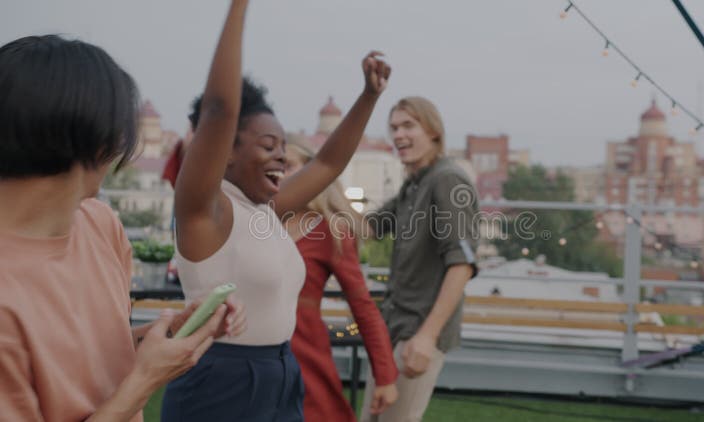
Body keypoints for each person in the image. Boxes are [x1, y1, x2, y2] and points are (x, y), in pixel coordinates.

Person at [161, 1, 391, 420]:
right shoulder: (206, 211)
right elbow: (219, 109)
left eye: (283, 148)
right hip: (222, 380)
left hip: (281, 372)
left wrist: (368, 97)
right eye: (268, 147)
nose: (281, 158)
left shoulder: (265, 208)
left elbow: (326, 164)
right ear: (225, 151)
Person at [0, 34, 245, 422]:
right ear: (97, 137)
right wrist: (146, 380)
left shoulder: (101, 225)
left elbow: (91, 361)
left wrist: (164, 337)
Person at [360, 97, 479, 422]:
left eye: (408, 125)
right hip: (394, 328)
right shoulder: (414, 184)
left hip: (418, 333)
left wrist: (427, 337)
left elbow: (462, 264)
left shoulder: (447, 180)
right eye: (394, 127)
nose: (398, 134)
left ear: (434, 131)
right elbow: (366, 228)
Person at [284, 141, 399, 422]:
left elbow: (363, 307)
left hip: (304, 355)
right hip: (248, 352)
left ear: (312, 172)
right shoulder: (253, 222)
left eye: (286, 165)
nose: (276, 172)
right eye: (272, 164)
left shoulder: (331, 231)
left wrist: (385, 376)